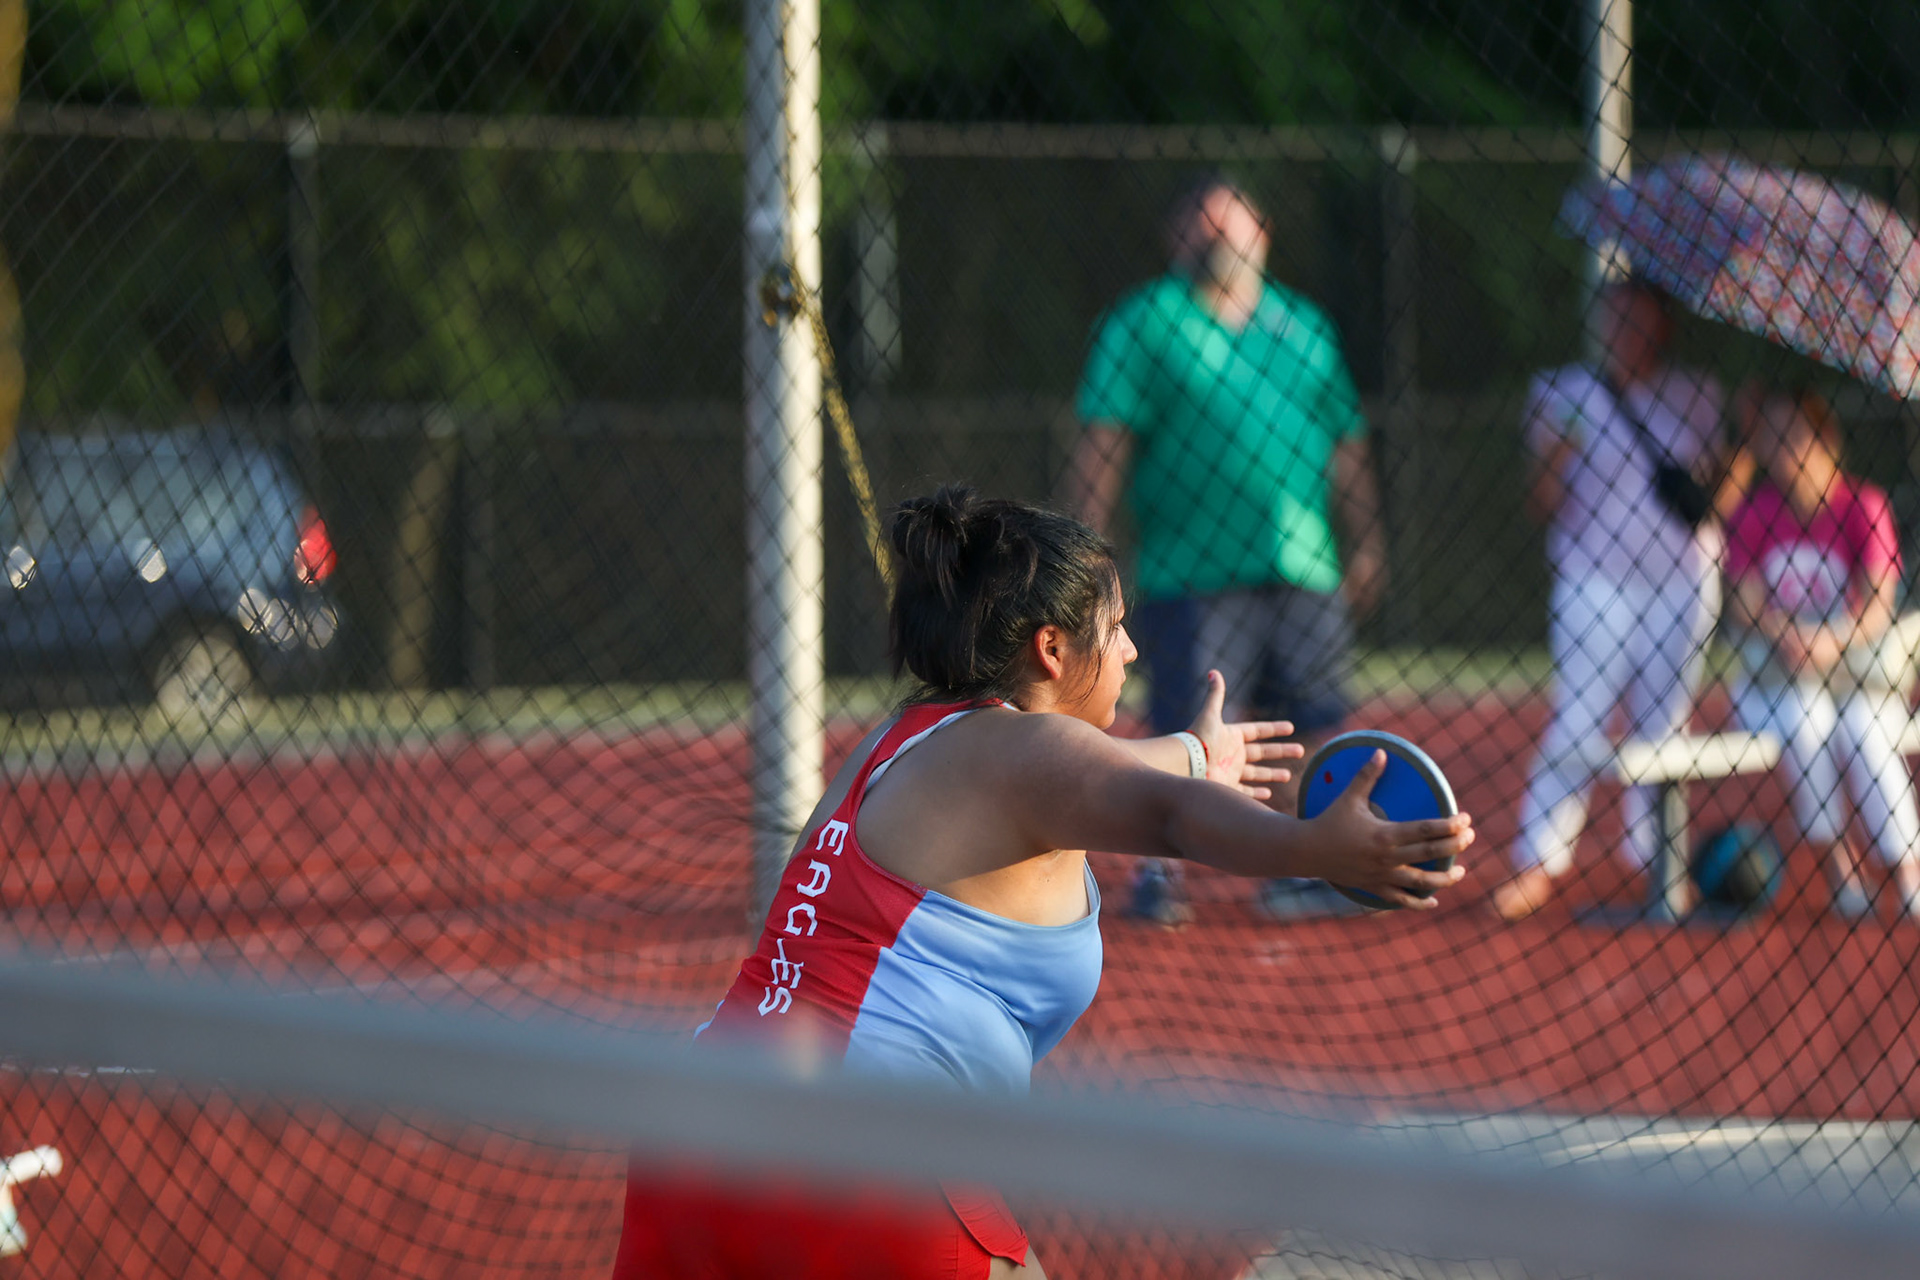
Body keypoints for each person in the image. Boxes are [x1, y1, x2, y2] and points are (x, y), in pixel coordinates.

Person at [610, 486, 1474, 1279]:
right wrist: (1318, 850)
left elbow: (1107, 776)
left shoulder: (903, 745)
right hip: (866, 1147)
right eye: (1117, 626)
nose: (1133, 649)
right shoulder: (1026, 756)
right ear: (1051, 648)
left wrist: (1200, 753)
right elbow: (1169, 816)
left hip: (695, 1134)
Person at [1066, 173, 1387, 925]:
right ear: (1176, 240)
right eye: (1199, 222)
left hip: (1303, 562)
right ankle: (1158, 874)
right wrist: (1082, 554)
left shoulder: (1303, 325)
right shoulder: (1147, 322)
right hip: (1193, 569)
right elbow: (1104, 443)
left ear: (1263, 234)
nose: (1217, 234)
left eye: (1231, 221)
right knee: (1189, 723)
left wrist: (1366, 539)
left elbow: (1346, 444)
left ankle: (1297, 864)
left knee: (1301, 722)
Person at [1493, 279, 1737, 921]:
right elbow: (1540, 503)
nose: (1623, 330)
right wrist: (1556, 455)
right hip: (1592, 579)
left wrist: (1741, 453)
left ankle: (1661, 863)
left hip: (1682, 581)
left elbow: (1719, 499)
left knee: (1665, 723)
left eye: (1638, 319)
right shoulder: (1562, 392)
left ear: (1662, 327)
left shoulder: (1697, 393)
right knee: (1579, 713)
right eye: (1614, 317)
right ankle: (1537, 862)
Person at [1723, 389, 1920, 920]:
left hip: (1855, 677)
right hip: (1775, 681)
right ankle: (1842, 866)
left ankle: (1908, 870)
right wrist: (1784, 631)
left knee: (1864, 733)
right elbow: (1742, 599)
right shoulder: (1755, 511)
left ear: (1825, 440)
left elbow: (1879, 603)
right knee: (1805, 725)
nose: (1782, 448)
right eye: (1773, 437)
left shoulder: (1864, 505)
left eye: (1793, 435)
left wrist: (1833, 638)